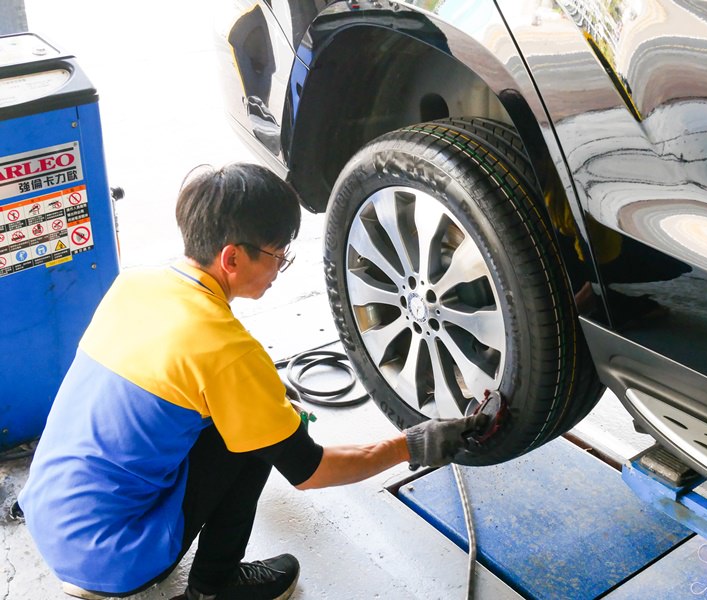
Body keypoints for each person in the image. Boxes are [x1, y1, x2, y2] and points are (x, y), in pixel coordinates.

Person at [18, 163, 487, 600]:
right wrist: (410, 446)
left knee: (253, 414)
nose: (280, 269)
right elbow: (310, 471)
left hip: (49, 515)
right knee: (254, 440)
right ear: (232, 258)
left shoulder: (135, 285)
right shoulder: (228, 351)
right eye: (278, 255)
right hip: (115, 558)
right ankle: (215, 585)